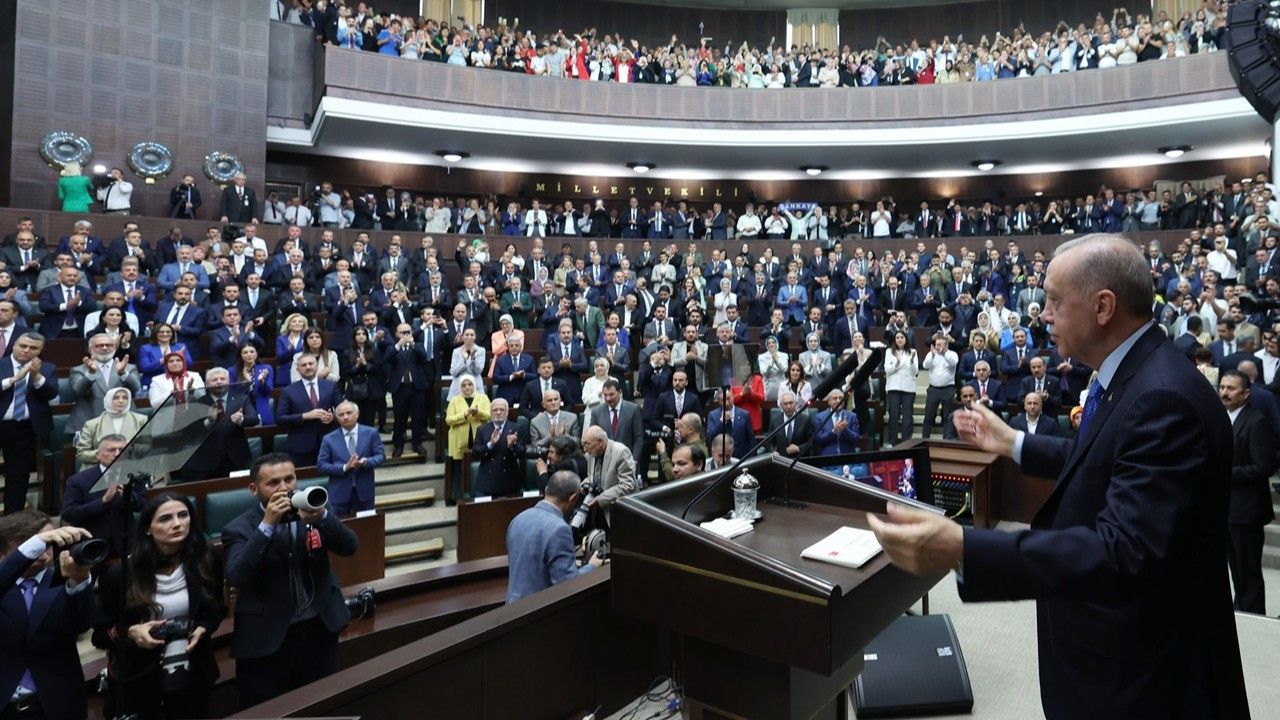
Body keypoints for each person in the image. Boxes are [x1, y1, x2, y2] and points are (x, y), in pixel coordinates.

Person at [868, 234, 1249, 718]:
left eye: (1053, 300)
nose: (1044, 314)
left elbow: (1124, 552)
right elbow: (1104, 457)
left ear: (1103, 307)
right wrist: (1013, 443)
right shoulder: (1139, 373)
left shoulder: (1162, 398)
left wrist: (963, 547)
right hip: (1119, 653)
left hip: (1144, 678)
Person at [222, 453, 358, 708]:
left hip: (319, 630)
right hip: (267, 641)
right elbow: (237, 576)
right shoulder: (238, 528)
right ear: (254, 489)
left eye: (289, 479)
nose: (284, 488)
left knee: (320, 705)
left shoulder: (314, 508)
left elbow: (350, 546)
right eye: (273, 483)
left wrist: (322, 519)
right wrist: (267, 527)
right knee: (269, 711)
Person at [91, 494, 225, 720]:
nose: (177, 523)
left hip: (191, 670)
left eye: (183, 515)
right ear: (147, 529)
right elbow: (99, 635)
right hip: (138, 676)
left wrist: (203, 628)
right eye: (165, 519)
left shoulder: (206, 557)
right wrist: (131, 633)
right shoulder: (122, 574)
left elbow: (217, 608)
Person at [0, 512, 95, 719]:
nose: (43, 554)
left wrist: (79, 582)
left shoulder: (65, 579)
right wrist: (37, 541)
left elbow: (82, 624)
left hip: (57, 705)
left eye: (49, 544)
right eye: (31, 545)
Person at [1219, 370, 1275, 615]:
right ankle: (1240, 608)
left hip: (1248, 510)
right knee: (1235, 568)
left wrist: (1224, 472)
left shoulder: (1256, 421)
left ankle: (1252, 613)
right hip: (1228, 508)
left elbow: (1263, 467)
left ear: (1246, 393)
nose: (1224, 393)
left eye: (1231, 389)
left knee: (1248, 568)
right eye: (1222, 387)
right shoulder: (1222, 417)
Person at [505, 470, 604, 604]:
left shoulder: (517, 519)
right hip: (537, 614)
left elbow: (528, 562)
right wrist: (592, 566)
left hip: (512, 609)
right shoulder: (560, 529)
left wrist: (561, 563)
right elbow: (568, 585)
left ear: (546, 490)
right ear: (573, 498)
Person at [59, 434, 146, 560]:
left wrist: (129, 496)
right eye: (111, 450)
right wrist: (103, 501)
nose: (117, 454)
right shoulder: (78, 480)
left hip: (124, 543)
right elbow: (69, 514)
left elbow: (143, 504)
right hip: (90, 543)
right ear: (98, 455)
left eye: (121, 450)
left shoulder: (134, 475)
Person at [1, 332, 59, 514]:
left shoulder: (47, 368)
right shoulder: (1, 364)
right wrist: (13, 380)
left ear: (40, 350)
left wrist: (37, 376)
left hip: (24, 428)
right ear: (14, 345)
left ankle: (13, 519)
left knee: (17, 475)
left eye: (33, 348)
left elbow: (51, 393)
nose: (27, 350)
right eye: (23, 346)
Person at [183, 368, 259, 480]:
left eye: (222, 379)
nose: (219, 382)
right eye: (214, 380)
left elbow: (254, 419)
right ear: (207, 384)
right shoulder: (198, 403)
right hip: (206, 461)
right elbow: (189, 431)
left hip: (235, 458)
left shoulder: (241, 399)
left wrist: (241, 419)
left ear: (228, 381)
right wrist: (209, 422)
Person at [316, 401, 386, 516]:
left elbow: (381, 456)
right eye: (341, 415)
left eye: (349, 413)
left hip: (364, 492)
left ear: (357, 414)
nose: (345, 417)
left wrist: (366, 462)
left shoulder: (371, 433)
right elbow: (321, 465)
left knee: (366, 527)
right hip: (339, 493)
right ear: (337, 418)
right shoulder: (328, 439)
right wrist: (344, 467)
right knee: (339, 529)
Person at [67, 333, 142, 439]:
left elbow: (136, 388)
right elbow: (78, 391)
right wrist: (91, 374)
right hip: (90, 421)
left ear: (115, 348)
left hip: (125, 421)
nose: (105, 348)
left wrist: (123, 373)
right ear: (90, 350)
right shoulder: (79, 370)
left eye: (109, 345)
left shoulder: (128, 368)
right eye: (99, 345)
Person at [276, 353, 342, 467]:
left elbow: (344, 410)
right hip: (301, 447)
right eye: (304, 365)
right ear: (298, 369)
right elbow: (280, 418)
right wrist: (304, 416)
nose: (308, 367)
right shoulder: (288, 391)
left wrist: (333, 417)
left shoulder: (330, 386)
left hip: (330, 443)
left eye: (311, 364)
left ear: (316, 365)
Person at [385, 322, 430, 458]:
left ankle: (417, 443)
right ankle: (398, 445)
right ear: (396, 334)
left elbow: (425, 357)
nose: (405, 335)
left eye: (408, 332)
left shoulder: (418, 345)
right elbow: (386, 360)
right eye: (402, 332)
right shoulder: (392, 347)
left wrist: (412, 344)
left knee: (418, 417)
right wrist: (399, 345)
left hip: (417, 387)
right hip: (400, 388)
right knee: (399, 418)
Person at [471, 398, 527, 497]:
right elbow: (475, 453)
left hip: (509, 480)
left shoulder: (516, 428)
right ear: (491, 412)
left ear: (507, 412)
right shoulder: (482, 429)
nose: (498, 412)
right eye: (495, 410)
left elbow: (522, 453)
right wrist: (490, 444)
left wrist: (513, 445)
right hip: (486, 482)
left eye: (501, 410)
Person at [76, 387, 147, 465]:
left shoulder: (141, 420)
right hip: (100, 468)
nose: (121, 401)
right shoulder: (92, 425)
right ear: (108, 400)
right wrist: (104, 454)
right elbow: (81, 454)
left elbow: (150, 447)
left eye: (125, 398)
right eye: (116, 398)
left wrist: (132, 448)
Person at [581, 426, 637, 519]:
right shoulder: (590, 454)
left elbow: (627, 485)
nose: (585, 449)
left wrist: (601, 499)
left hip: (617, 513)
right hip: (597, 512)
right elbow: (593, 476)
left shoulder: (620, 452)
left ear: (600, 442)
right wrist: (586, 482)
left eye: (587, 444)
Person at [138, 322, 190, 390]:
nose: (165, 334)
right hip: (153, 383)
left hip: (178, 381)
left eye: (168, 331)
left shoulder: (180, 346)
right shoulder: (145, 348)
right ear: (155, 333)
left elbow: (190, 364)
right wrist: (162, 360)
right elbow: (144, 368)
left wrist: (181, 357)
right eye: (161, 332)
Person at [234, 344, 275, 425]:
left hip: (262, 407)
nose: (249, 354)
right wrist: (247, 382)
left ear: (256, 354)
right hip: (243, 410)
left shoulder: (266, 368)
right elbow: (234, 395)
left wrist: (262, 382)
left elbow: (269, 391)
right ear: (240, 355)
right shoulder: (233, 371)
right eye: (245, 352)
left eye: (252, 352)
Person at [813, 388, 861, 455]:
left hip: (847, 457)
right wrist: (833, 432)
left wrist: (846, 430)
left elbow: (856, 439)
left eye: (840, 398)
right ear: (829, 402)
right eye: (835, 398)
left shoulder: (852, 416)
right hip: (828, 458)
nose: (838, 401)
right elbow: (818, 440)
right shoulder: (820, 417)